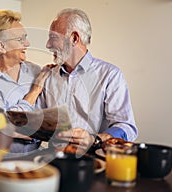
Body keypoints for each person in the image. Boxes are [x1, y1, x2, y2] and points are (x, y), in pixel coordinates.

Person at [38, 8, 138, 155]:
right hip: (54, 159)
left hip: (94, 161)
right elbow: (38, 123)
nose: (47, 44)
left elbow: (126, 127)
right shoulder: (47, 76)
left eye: (53, 37)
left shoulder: (110, 75)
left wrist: (94, 140)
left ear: (74, 38)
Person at [0, 10, 52, 153]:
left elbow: (46, 117)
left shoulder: (36, 71)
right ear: (2, 46)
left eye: (25, 37)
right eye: (20, 39)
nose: (27, 43)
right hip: (0, 157)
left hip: (35, 155)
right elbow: (3, 124)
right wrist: (34, 92)